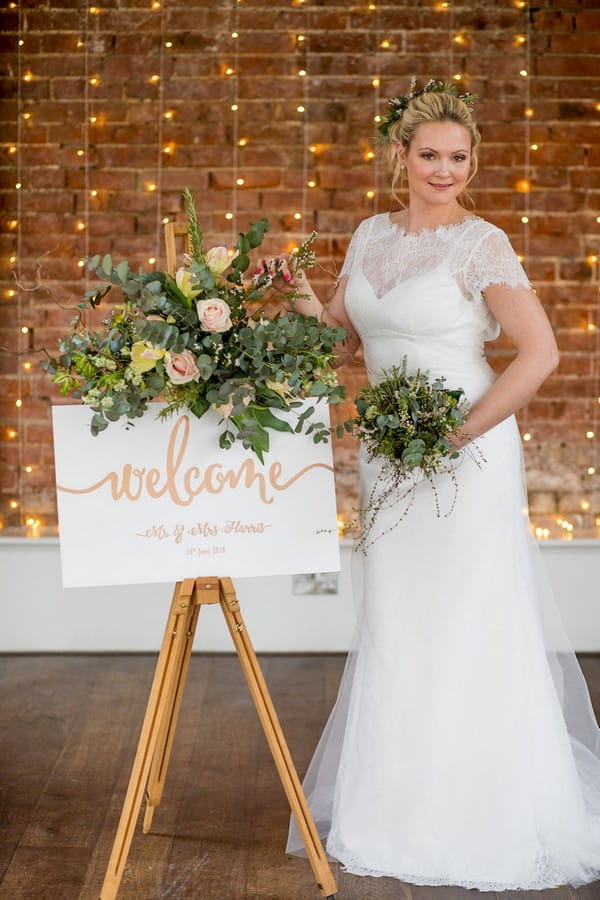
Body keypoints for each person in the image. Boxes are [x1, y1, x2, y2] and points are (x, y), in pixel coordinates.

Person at [262, 80, 600, 891]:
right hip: (388, 455)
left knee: (465, 619)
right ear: (401, 158)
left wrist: (459, 431)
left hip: (466, 457)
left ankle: (479, 811)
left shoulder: (483, 243)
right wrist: (297, 293)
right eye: (429, 156)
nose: (444, 170)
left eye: (458, 157)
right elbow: (339, 339)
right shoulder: (370, 235)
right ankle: (396, 806)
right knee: (398, 618)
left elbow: (540, 354)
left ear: (471, 162)